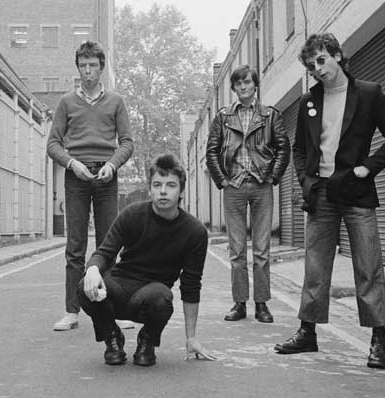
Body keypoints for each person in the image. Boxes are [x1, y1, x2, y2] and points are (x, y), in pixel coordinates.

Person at [275, 33, 385, 369]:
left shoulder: (368, 93)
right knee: (315, 267)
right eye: (311, 66)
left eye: (321, 60)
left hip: (356, 191)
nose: (318, 69)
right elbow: (299, 149)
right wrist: (305, 180)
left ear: (336, 55)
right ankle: (307, 332)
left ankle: (378, 341)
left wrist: (369, 168)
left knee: (368, 266)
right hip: (321, 193)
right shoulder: (308, 101)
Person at [78, 154, 216, 367]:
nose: (163, 191)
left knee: (161, 297)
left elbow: (191, 286)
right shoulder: (132, 214)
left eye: (171, 185)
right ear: (150, 189)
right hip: (118, 288)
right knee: (84, 286)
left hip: (151, 297)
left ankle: (147, 340)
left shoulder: (195, 232)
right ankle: (112, 337)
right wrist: (93, 270)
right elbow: (105, 252)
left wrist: (191, 338)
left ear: (181, 190)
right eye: (157, 185)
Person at [47, 40, 134, 332]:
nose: (87, 71)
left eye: (92, 66)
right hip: (77, 177)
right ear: (78, 68)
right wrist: (72, 163)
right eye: (83, 66)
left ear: (101, 68)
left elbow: (127, 142)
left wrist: (113, 164)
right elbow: (53, 144)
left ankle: (115, 309)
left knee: (109, 245)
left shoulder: (116, 102)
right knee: (75, 247)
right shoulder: (66, 102)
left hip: (106, 177)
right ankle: (71, 312)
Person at [205, 65, 291, 324]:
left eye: (247, 82)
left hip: (261, 185)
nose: (243, 87)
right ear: (233, 88)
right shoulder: (223, 117)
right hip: (234, 187)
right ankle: (240, 304)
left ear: (255, 85)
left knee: (262, 250)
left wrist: (272, 177)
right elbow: (211, 151)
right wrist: (222, 181)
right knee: (237, 251)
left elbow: (283, 148)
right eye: (238, 84)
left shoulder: (270, 115)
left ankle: (262, 304)